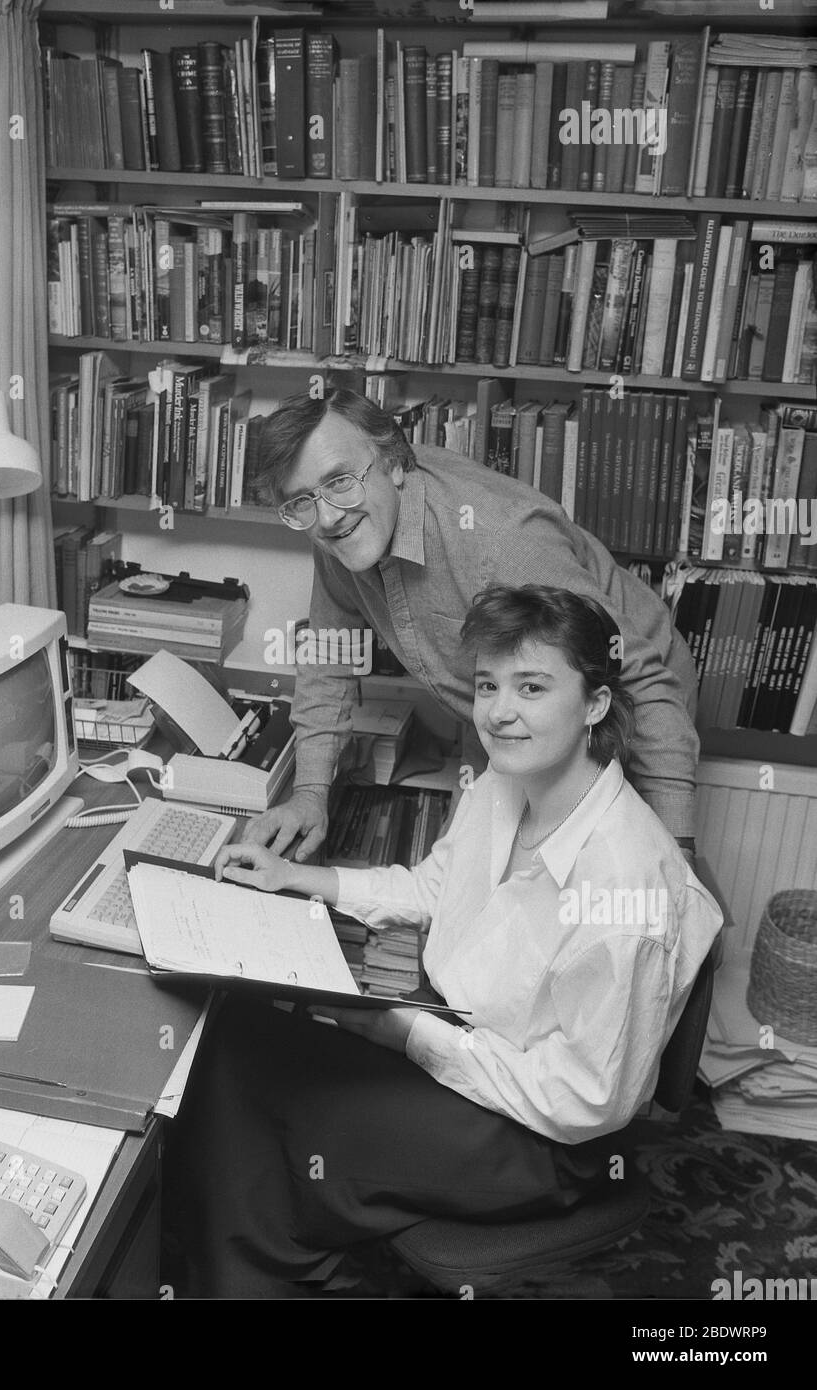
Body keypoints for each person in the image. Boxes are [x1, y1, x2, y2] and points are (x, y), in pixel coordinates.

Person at [162, 586, 722, 1299]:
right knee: (237, 1039)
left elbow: (586, 1100)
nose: (499, 711)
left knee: (289, 1123)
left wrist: (406, 1037)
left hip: (543, 1137)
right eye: (487, 685)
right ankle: (252, 1259)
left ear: (594, 705)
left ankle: (255, 1266)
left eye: (531, 686)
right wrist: (298, 877)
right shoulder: (506, 782)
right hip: (468, 1048)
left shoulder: (623, 885)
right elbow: (433, 889)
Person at [240, 389, 701, 864]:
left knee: (626, 887)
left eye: (340, 481)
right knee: (468, 880)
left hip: (624, 701)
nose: (328, 517)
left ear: (395, 465)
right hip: (509, 713)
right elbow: (329, 659)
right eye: (302, 501)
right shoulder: (337, 524)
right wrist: (311, 793)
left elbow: (638, 679)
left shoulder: (504, 542)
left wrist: (678, 850)